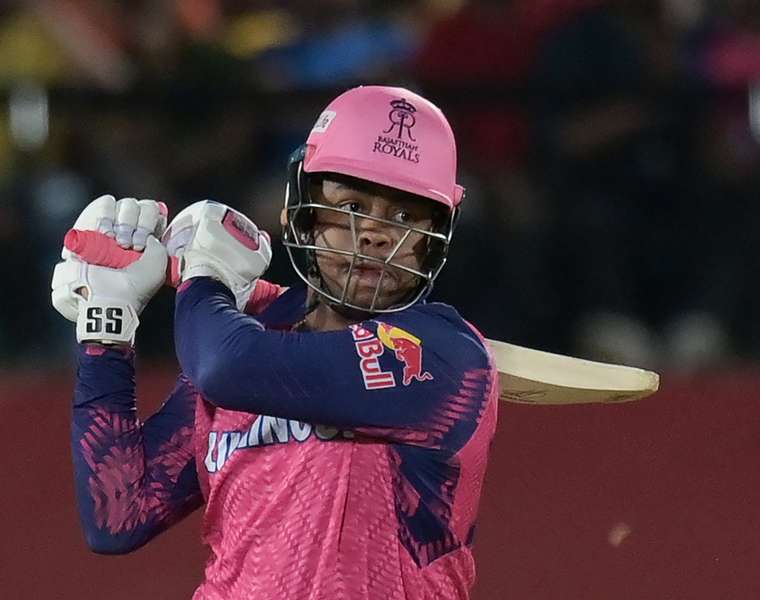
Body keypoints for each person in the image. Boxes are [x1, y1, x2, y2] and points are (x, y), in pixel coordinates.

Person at [50, 85, 498, 600]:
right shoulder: (252, 331)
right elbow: (118, 514)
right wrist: (108, 327)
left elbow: (224, 367)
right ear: (302, 213)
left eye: (403, 216)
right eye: (352, 205)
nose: (375, 234)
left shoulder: (442, 358)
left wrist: (205, 277)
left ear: (434, 235)